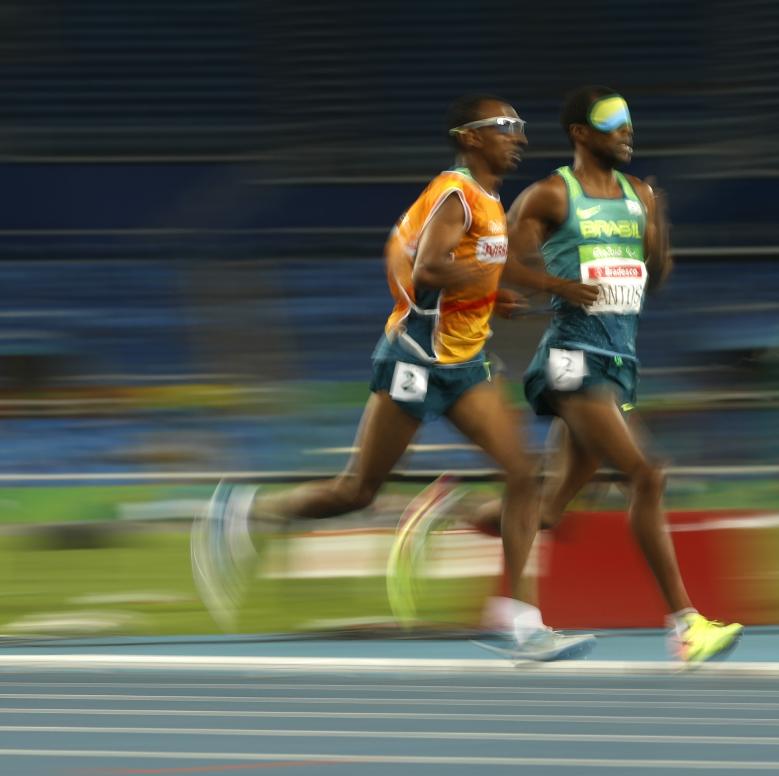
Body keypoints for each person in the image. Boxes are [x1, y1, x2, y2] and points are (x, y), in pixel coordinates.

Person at [190, 94, 599, 661]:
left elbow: (448, 276)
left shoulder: (486, 195)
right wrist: (494, 272)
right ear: (470, 136)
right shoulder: (455, 194)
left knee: (524, 476)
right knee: (357, 491)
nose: (520, 137)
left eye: (521, 127)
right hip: (415, 361)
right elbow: (430, 268)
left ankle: (522, 623)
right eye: (506, 127)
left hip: (466, 363)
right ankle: (244, 511)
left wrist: (490, 297)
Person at [468, 86, 743, 662]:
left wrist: (658, 219)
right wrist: (554, 287)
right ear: (580, 133)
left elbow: (654, 277)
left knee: (548, 507)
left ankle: (459, 516)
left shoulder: (641, 194)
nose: (626, 130)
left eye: (628, 121)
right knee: (647, 473)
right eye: (611, 121)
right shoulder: (550, 196)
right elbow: (505, 267)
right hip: (572, 358)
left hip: (620, 360)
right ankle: (685, 626)